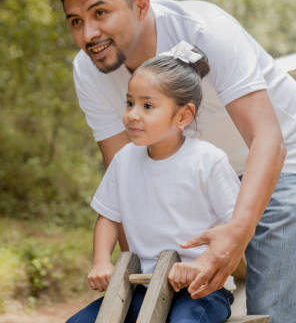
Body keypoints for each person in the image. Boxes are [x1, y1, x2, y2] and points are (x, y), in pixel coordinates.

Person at [59, 0, 296, 323]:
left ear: (141, 5)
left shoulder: (205, 28)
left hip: (281, 153)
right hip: (196, 170)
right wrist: (145, 289)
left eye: (100, 13)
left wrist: (234, 237)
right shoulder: (87, 70)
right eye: (75, 21)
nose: (88, 35)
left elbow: (267, 138)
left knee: (277, 311)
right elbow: (125, 175)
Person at [66, 44, 238, 323]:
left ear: (182, 116)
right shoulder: (124, 160)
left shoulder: (208, 160)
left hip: (201, 290)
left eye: (147, 106)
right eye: (129, 102)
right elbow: (108, 217)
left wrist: (199, 265)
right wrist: (101, 260)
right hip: (142, 288)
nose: (133, 114)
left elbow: (235, 225)